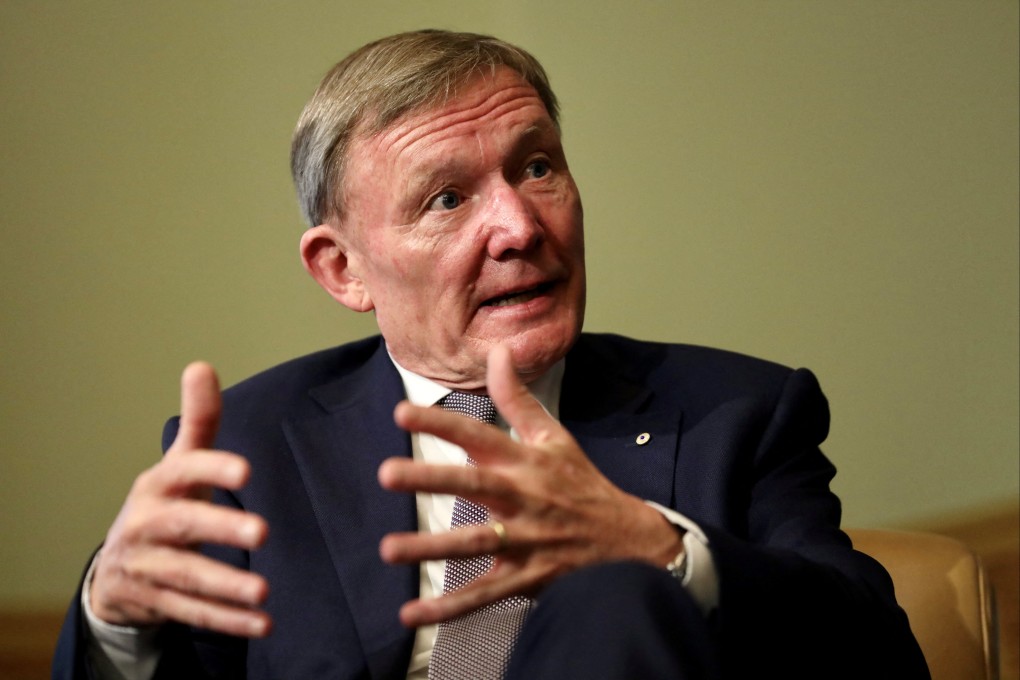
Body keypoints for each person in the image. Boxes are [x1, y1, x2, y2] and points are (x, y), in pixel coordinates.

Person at [53, 29, 929, 679]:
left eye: (537, 166)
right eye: (447, 199)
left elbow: (883, 660)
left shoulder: (735, 415)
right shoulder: (251, 448)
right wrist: (115, 624)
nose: (518, 226)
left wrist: (661, 551)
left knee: (616, 591)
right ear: (343, 269)